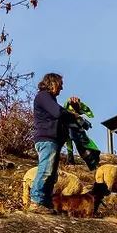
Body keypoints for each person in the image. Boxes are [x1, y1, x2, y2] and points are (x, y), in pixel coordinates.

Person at [29, 72, 65, 213]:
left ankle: (46, 203)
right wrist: (69, 114)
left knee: (51, 174)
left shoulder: (49, 99)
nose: (61, 89)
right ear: (53, 83)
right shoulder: (44, 96)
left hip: (51, 140)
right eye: (60, 85)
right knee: (46, 170)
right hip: (47, 139)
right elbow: (57, 113)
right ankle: (36, 201)